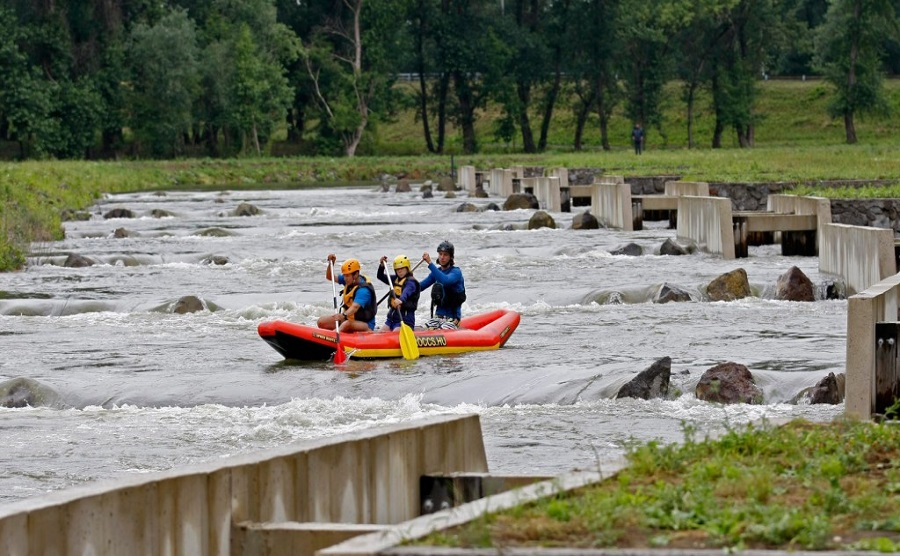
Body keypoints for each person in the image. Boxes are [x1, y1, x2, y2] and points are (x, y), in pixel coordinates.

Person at [317, 254, 377, 332]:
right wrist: (331, 263)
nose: (345, 278)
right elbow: (330, 277)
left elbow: (355, 307)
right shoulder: (349, 280)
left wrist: (343, 315)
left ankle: (333, 336)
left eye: (347, 276)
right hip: (349, 319)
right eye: (344, 275)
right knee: (321, 321)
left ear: (356, 274)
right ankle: (337, 332)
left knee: (346, 324)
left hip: (365, 324)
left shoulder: (363, 290)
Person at [419, 240, 466, 330]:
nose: (442, 257)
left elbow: (445, 281)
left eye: (445, 255)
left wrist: (430, 263)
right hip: (438, 317)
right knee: (422, 329)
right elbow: (420, 287)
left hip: (452, 319)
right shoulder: (437, 272)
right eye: (440, 254)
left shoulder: (456, 272)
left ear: (451, 257)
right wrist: (406, 283)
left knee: (441, 330)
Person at [376, 255, 421, 331]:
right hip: (391, 319)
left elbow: (407, 292)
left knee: (395, 332)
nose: (399, 271)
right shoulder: (394, 279)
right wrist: (381, 266)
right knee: (381, 332)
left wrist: (401, 300)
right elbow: (380, 276)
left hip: (405, 320)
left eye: (402, 269)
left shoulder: (411, 282)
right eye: (397, 269)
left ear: (407, 268)